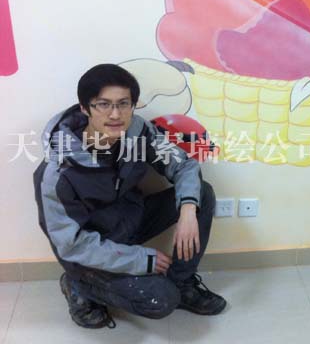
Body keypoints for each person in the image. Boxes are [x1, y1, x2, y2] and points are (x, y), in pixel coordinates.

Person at [33, 64, 226, 329]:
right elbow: (72, 245)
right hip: (91, 253)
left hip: (131, 221)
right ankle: (79, 286)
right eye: (103, 104)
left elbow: (183, 165)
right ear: (85, 108)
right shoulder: (56, 173)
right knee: (161, 300)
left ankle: (183, 283)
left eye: (123, 104)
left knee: (201, 194)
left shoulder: (137, 130)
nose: (115, 115)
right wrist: (140, 260)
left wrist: (188, 210)